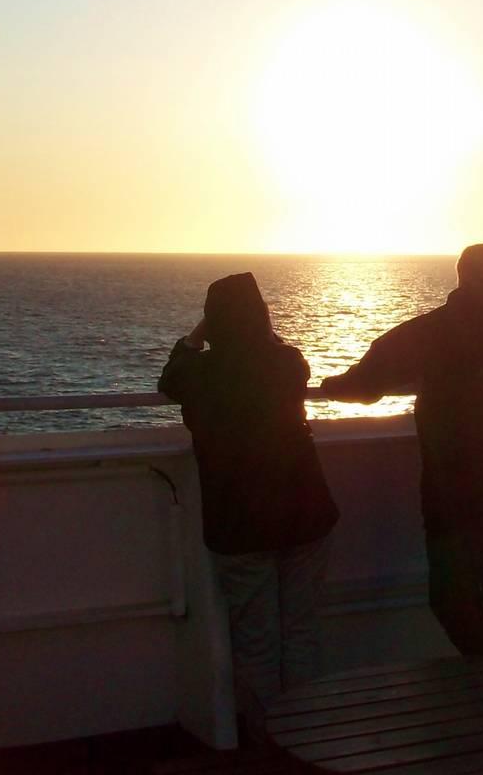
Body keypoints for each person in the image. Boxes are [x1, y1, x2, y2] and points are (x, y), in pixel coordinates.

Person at [318, 243, 483, 656]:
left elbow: (368, 383)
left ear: (462, 275)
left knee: (451, 599)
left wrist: (329, 386)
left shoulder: (438, 329)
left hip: (456, 491)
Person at [159, 272, 339, 741]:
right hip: (306, 515)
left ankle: (270, 740)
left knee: (256, 643)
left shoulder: (197, 374)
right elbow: (287, 361)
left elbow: (169, 379)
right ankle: (309, 736)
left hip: (242, 524)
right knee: (302, 632)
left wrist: (199, 333)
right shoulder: (287, 363)